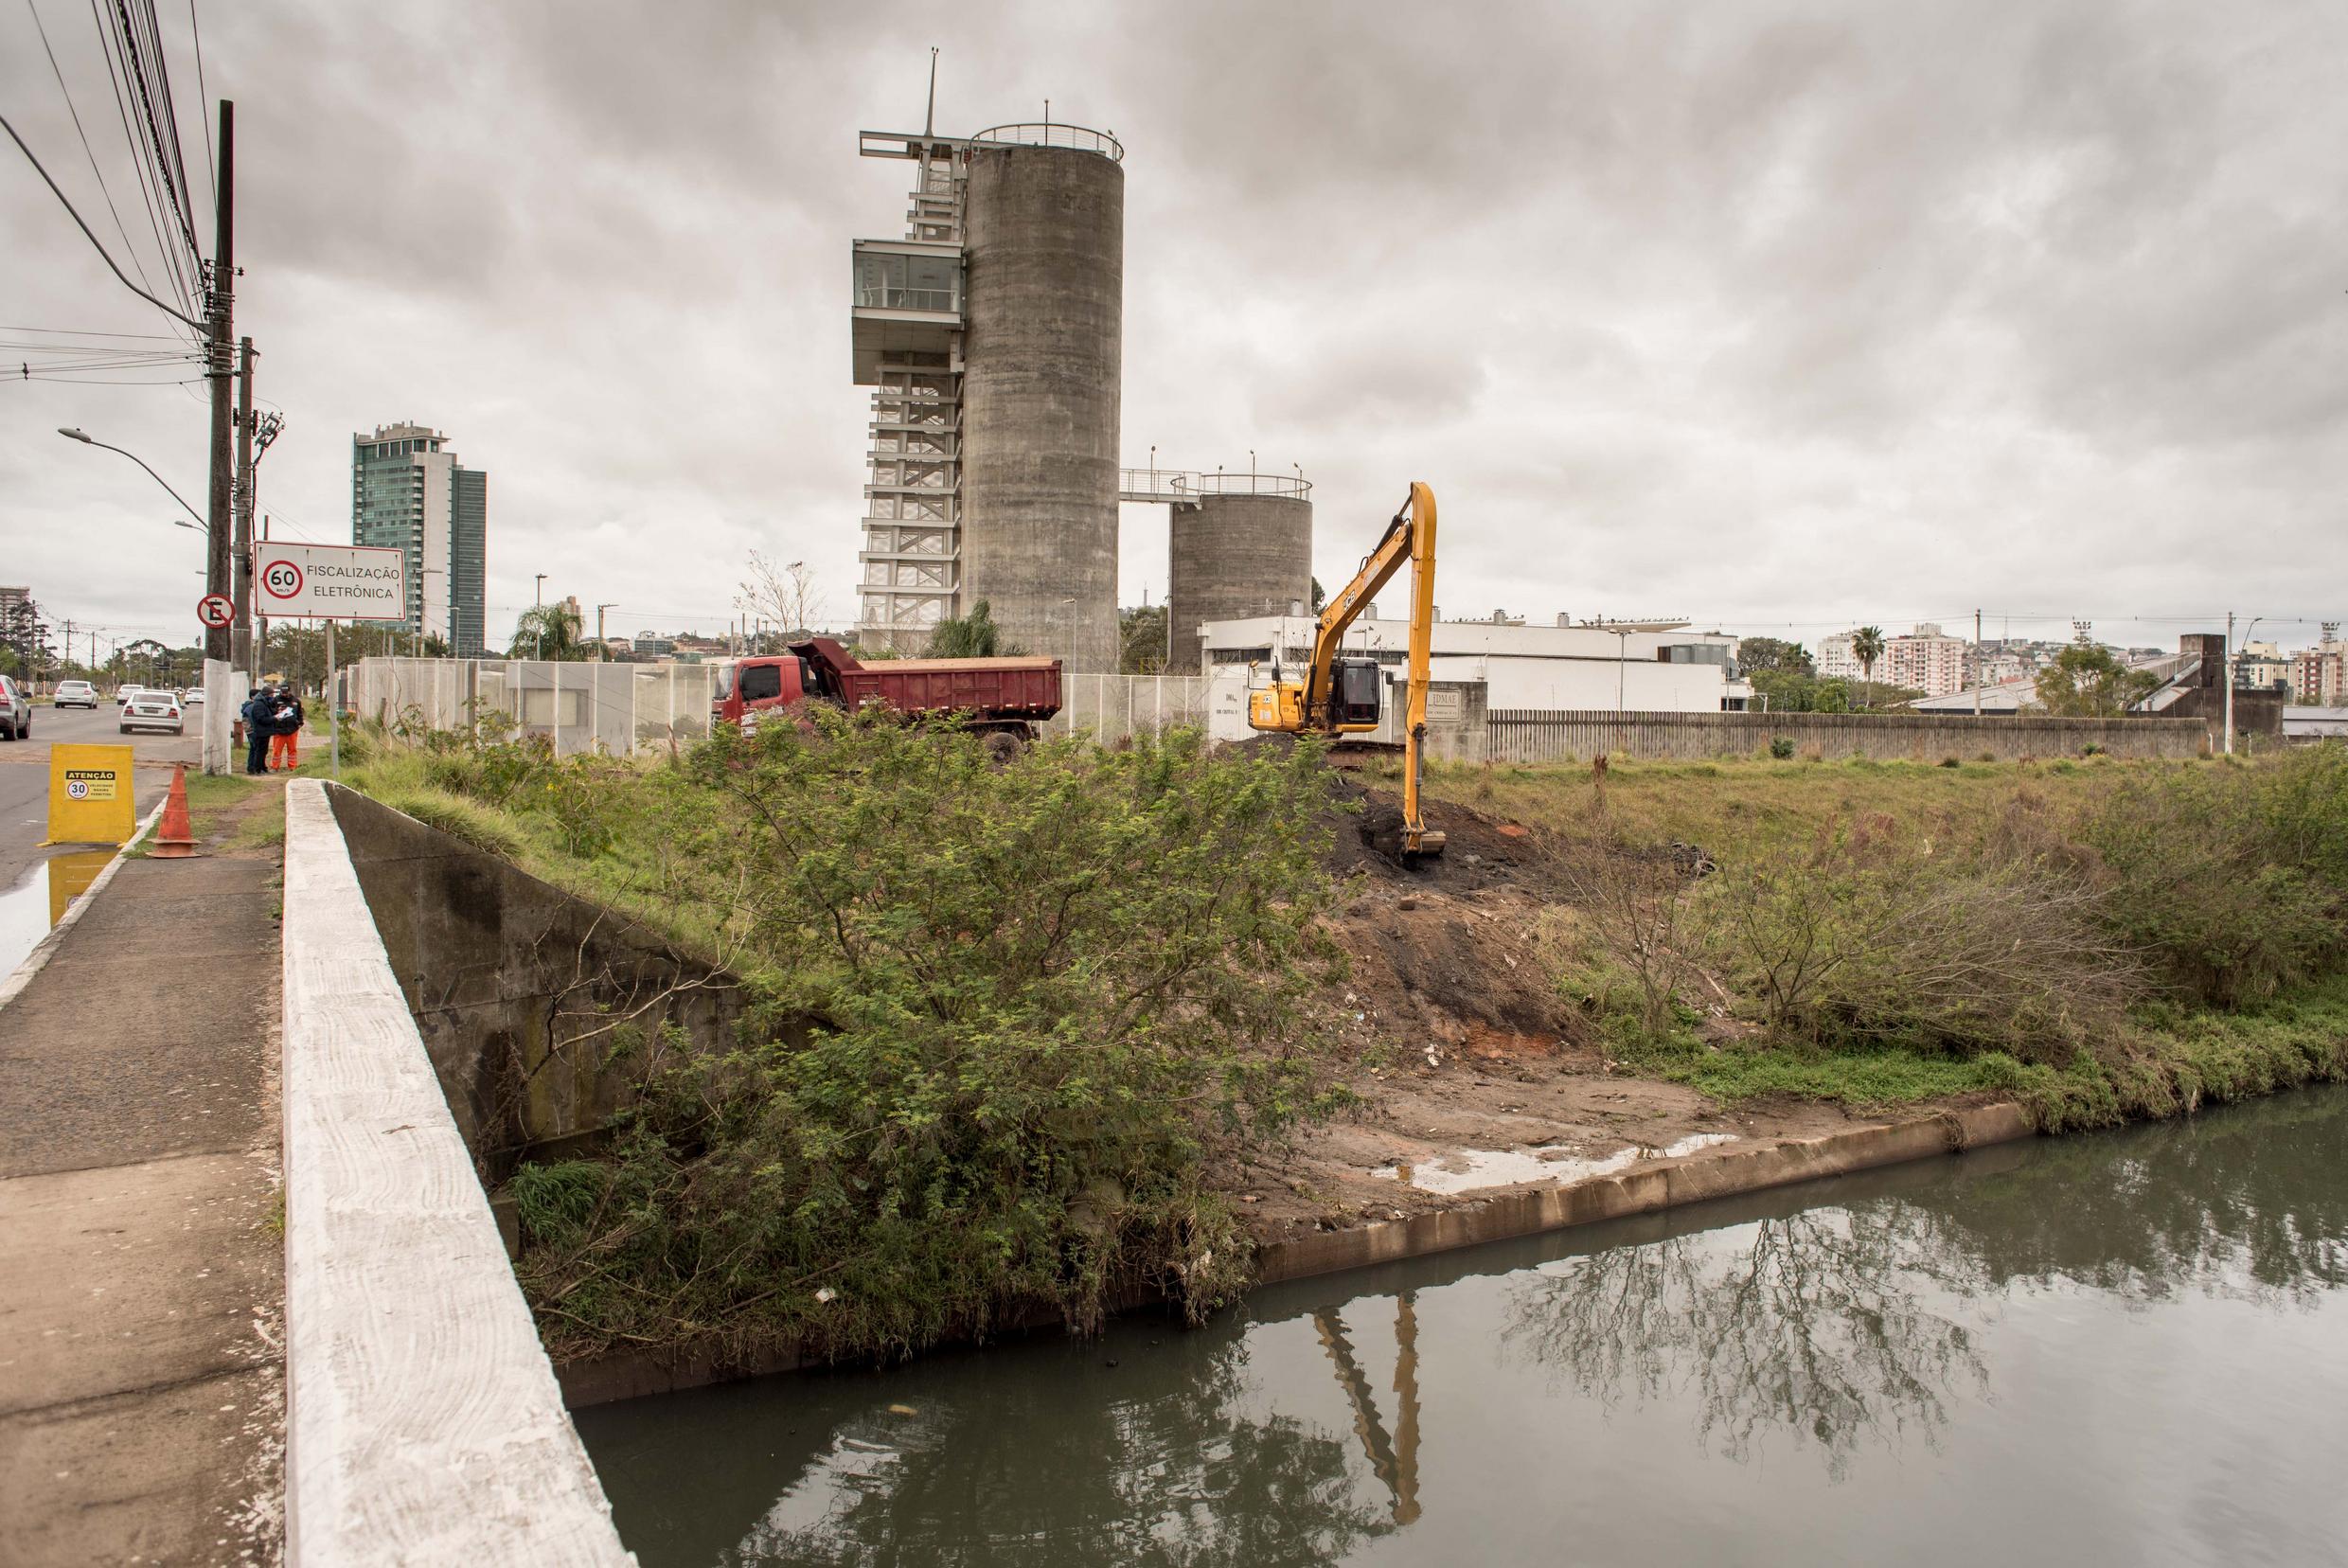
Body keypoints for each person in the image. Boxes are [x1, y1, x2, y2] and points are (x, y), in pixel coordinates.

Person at [268, 684, 305, 772]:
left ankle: (292, 766)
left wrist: (299, 723)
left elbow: (300, 713)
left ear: (289, 691)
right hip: (279, 729)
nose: (284, 694)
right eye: (282, 692)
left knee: (292, 750)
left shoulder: (296, 701)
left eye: (286, 692)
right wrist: (278, 710)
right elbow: (270, 712)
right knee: (277, 750)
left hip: (292, 729)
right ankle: (274, 766)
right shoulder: (275, 700)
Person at [240, 683, 274, 775]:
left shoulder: (256, 704)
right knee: (256, 749)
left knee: (256, 749)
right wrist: (251, 732)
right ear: (252, 697)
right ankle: (253, 768)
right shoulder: (252, 706)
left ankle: (255, 768)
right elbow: (251, 720)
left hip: (255, 730)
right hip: (254, 731)